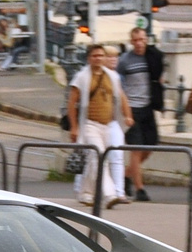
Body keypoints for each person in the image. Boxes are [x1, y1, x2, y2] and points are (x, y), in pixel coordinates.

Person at [67, 42, 133, 209]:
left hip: (109, 124)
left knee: (94, 160)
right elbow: (72, 102)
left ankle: (85, 193)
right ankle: (109, 194)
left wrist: (127, 115)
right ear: (89, 58)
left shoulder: (112, 76)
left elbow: (121, 96)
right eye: (95, 56)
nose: (98, 58)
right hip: (90, 124)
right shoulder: (82, 77)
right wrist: (74, 127)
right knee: (99, 156)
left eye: (101, 55)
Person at [117, 26, 166, 201]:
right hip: (131, 108)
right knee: (136, 149)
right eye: (136, 40)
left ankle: (126, 174)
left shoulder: (151, 57)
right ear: (131, 41)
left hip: (148, 107)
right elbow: (117, 81)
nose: (139, 44)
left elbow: (158, 73)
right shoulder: (125, 60)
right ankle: (140, 189)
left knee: (150, 145)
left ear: (147, 40)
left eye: (142, 40)